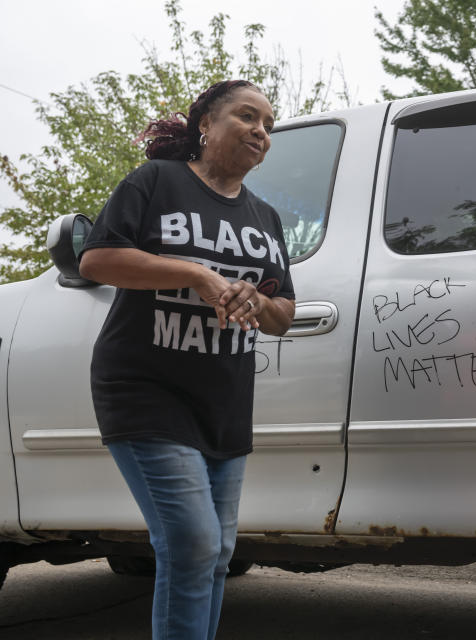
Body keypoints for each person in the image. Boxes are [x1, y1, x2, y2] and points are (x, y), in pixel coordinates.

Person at [78, 79, 295, 640]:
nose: (260, 132)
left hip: (224, 403)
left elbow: (283, 314)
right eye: (247, 117)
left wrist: (259, 299)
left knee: (216, 552)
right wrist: (197, 273)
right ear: (206, 123)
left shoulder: (266, 218)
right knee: (192, 543)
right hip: (148, 390)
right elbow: (98, 259)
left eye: (267, 125)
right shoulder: (158, 182)